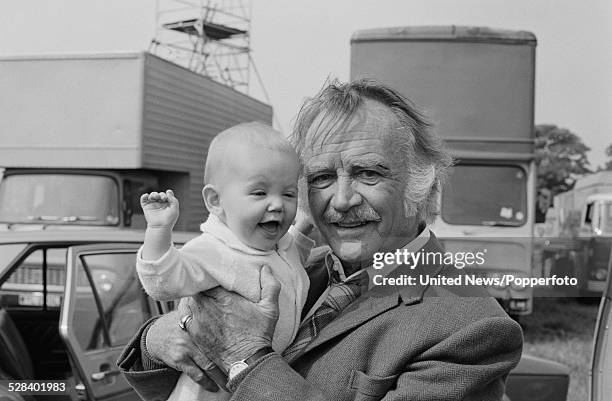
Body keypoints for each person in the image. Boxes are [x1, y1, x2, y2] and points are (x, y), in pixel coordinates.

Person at [119, 79, 523, 400]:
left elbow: (242, 354)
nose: (342, 200)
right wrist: (161, 336)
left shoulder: (471, 327)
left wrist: (247, 357)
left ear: (422, 188)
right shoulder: (296, 265)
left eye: (369, 174)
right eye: (321, 179)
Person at [135, 122, 314, 400]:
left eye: (288, 194)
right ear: (216, 201)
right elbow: (163, 282)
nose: (278, 204)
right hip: (210, 385)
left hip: (263, 378)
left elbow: (293, 266)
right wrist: (158, 232)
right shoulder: (214, 250)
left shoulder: (281, 243)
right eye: (259, 192)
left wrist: (301, 234)